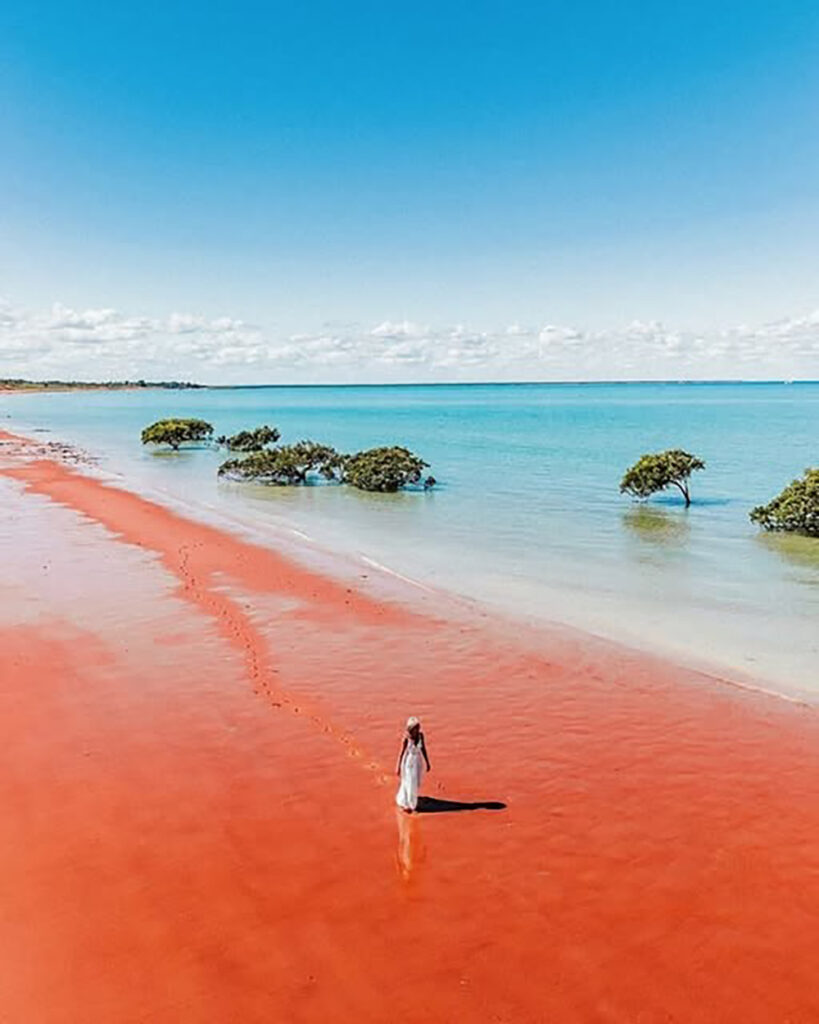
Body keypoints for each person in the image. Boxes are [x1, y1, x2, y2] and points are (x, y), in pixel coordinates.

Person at [395, 716, 431, 813]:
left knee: (416, 782)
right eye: (415, 728)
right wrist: (398, 766)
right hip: (408, 763)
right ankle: (410, 805)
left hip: (417, 762)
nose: (417, 729)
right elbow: (401, 753)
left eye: (418, 727)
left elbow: (423, 749)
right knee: (409, 782)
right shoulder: (406, 739)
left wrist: (427, 762)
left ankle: (411, 800)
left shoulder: (420, 736)